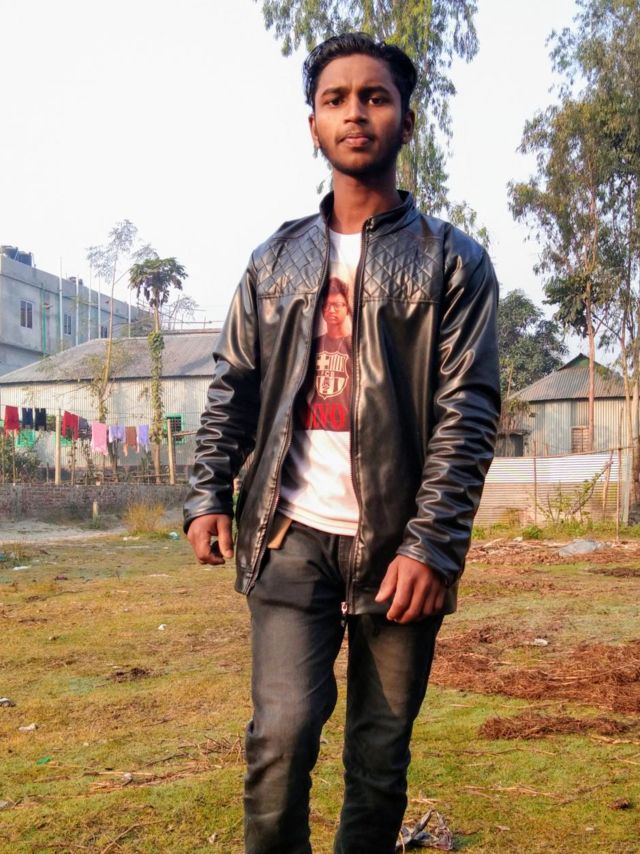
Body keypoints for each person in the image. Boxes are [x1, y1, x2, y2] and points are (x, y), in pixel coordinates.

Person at [184, 31, 500, 854]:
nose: (355, 112)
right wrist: (207, 493)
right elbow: (233, 385)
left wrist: (432, 546)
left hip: (400, 544)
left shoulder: (453, 262)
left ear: (406, 120)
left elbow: (468, 411)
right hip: (289, 534)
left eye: (374, 97)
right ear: (314, 126)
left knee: (380, 756)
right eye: (336, 99)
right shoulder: (274, 262)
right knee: (281, 738)